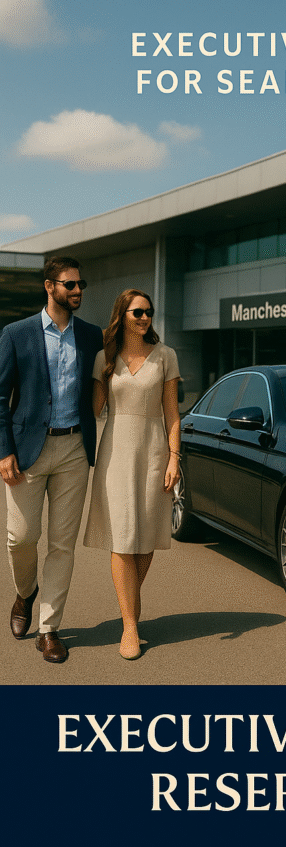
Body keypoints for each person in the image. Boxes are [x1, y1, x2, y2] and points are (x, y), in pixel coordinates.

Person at [0, 256, 103, 663]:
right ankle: (25, 593)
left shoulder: (91, 335)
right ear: (49, 286)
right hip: (26, 451)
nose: (78, 291)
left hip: (74, 450)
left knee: (62, 545)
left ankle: (49, 629)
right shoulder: (16, 334)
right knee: (21, 537)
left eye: (80, 285)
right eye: (69, 284)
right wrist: (4, 450)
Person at [82, 289, 180, 659]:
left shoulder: (166, 355)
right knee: (123, 536)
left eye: (149, 311)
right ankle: (130, 625)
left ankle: (128, 608)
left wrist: (174, 458)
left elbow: (172, 413)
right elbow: (93, 410)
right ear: (122, 314)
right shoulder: (103, 357)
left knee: (146, 536)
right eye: (137, 311)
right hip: (116, 452)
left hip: (155, 450)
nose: (144, 317)